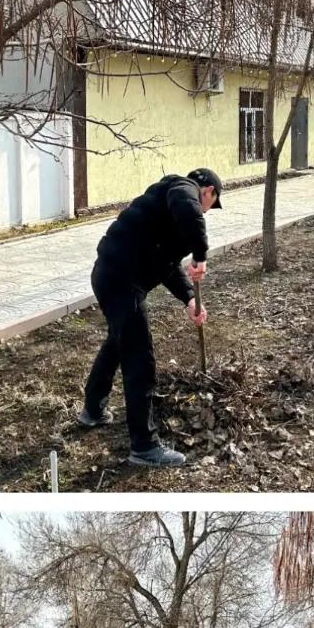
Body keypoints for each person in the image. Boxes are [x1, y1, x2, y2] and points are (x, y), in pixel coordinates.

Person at [79, 168, 220, 468]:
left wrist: (190, 298)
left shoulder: (166, 215)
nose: (206, 210)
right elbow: (187, 205)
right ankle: (144, 446)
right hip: (120, 279)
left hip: (110, 274)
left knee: (118, 343)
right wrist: (201, 255)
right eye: (210, 203)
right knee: (139, 358)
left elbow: (166, 264)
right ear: (207, 191)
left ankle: (93, 409)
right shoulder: (182, 189)